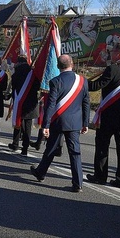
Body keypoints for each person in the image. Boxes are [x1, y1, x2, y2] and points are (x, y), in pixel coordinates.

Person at [30, 54, 90, 192]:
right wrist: (85, 122)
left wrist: (45, 125)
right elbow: (86, 103)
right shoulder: (83, 81)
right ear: (72, 64)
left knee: (51, 148)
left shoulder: (55, 81)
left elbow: (50, 105)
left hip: (58, 121)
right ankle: (78, 183)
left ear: (58, 66)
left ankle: (41, 172)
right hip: (75, 122)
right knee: (75, 152)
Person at [87, 41, 120, 188]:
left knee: (102, 144)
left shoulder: (113, 69)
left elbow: (96, 86)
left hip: (110, 114)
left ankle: (100, 176)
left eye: (112, 51)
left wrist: (81, 81)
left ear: (118, 53)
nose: (110, 54)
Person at [7, 55, 40, 156]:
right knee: (28, 126)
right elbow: (37, 86)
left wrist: (12, 99)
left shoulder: (16, 74)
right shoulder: (33, 74)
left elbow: (14, 89)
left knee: (18, 122)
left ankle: (15, 143)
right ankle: (25, 148)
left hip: (19, 101)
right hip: (31, 103)